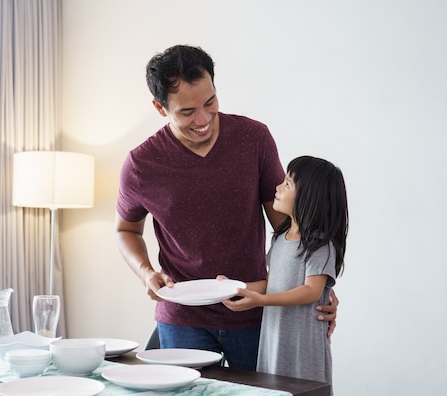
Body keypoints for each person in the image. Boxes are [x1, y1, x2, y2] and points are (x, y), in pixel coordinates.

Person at [115, 44, 338, 370]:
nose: (203, 119)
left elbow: (289, 228)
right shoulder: (141, 164)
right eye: (187, 112)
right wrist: (146, 273)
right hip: (182, 319)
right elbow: (126, 229)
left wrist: (317, 289)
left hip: (256, 310)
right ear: (160, 108)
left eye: (210, 102)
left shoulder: (254, 138)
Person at [221, 155, 348, 396]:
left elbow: (310, 291)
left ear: (310, 198)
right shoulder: (281, 239)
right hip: (275, 338)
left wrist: (260, 302)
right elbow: (272, 283)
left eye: (287, 184)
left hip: (303, 344)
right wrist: (235, 287)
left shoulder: (321, 246)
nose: (277, 188)